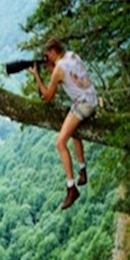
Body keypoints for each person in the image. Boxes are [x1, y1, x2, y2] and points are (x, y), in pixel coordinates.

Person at [29, 38, 98, 210]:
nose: (47, 58)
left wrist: (37, 76)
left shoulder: (58, 69)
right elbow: (69, 76)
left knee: (60, 143)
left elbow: (47, 97)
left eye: (47, 55)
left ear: (52, 52)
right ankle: (82, 171)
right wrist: (53, 70)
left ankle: (71, 187)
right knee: (74, 132)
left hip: (82, 104)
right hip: (92, 98)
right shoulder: (72, 55)